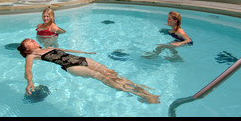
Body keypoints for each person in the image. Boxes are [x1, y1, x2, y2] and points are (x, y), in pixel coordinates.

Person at [17, 39, 160, 104]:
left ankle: (144, 92)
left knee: (111, 73)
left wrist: (84, 51)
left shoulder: (47, 48)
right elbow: (28, 70)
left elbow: (68, 51)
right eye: (27, 42)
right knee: (103, 78)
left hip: (80, 58)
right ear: (27, 49)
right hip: (71, 66)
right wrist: (29, 81)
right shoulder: (32, 56)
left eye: (30, 39)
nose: (31, 40)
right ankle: (139, 94)